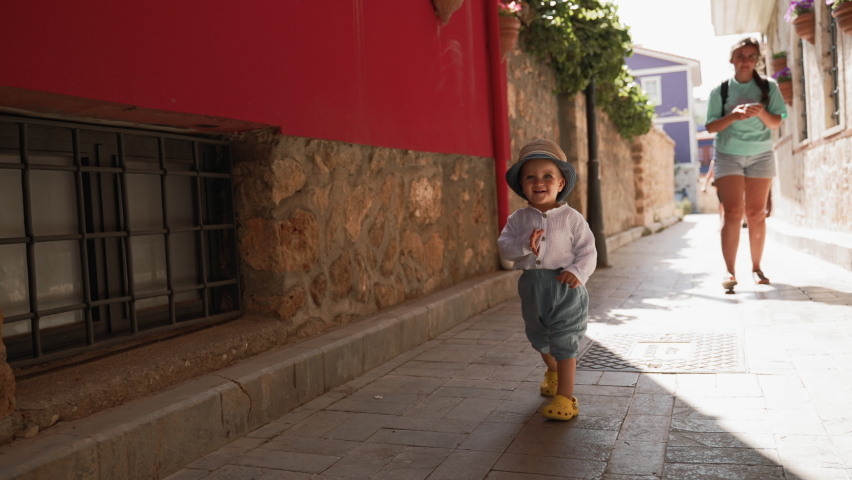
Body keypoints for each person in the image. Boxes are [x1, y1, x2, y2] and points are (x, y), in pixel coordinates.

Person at [497, 139, 597, 421]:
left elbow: (588, 250)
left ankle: (566, 397)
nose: (538, 182)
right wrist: (525, 245)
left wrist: (578, 272)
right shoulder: (518, 219)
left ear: (561, 182)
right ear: (522, 184)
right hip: (532, 288)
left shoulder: (572, 218)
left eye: (547, 176)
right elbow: (504, 248)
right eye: (530, 176)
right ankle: (552, 372)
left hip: (566, 287)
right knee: (539, 338)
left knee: (564, 340)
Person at [705, 37, 786, 290]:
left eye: (751, 56)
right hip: (728, 155)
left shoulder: (768, 87)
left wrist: (761, 111)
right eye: (741, 56)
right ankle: (729, 271)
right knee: (732, 213)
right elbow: (710, 126)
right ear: (732, 59)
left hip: (761, 155)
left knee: (756, 214)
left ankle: (756, 268)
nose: (745, 61)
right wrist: (734, 116)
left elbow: (775, 123)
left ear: (757, 60)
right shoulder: (721, 91)